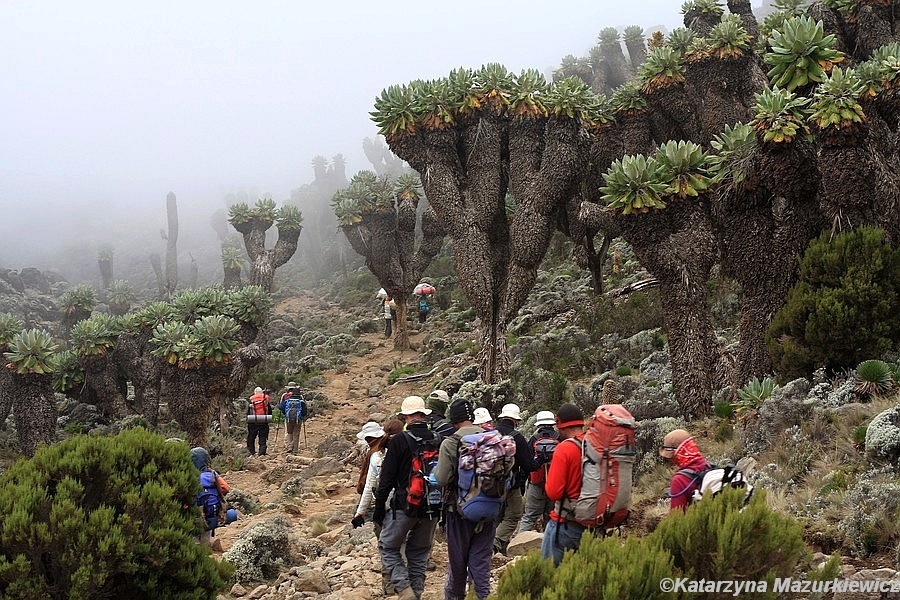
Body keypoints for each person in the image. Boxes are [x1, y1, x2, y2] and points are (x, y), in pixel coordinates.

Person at [372, 396, 441, 600]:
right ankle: (416, 594)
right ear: (423, 415)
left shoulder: (400, 440)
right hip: (432, 506)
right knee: (419, 553)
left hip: (404, 505)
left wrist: (378, 510)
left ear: (405, 417)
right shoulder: (438, 439)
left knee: (388, 546)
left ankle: (404, 589)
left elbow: (386, 479)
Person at [433, 398, 494, 600]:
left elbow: (441, 478)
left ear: (454, 420)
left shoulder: (450, 442)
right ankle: (482, 596)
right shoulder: (492, 439)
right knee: (481, 562)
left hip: (458, 512)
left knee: (458, 564)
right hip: (490, 509)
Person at [541, 403, 588, 565]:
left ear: (560, 425)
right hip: (593, 522)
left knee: (550, 577)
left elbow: (554, 492)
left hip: (565, 524)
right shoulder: (596, 445)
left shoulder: (564, 449)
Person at [492, 403, 537, 555]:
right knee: (514, 515)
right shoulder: (517, 438)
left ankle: (497, 547)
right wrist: (542, 459)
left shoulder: (490, 434)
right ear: (516, 420)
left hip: (489, 483)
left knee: (497, 516)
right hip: (511, 484)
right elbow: (529, 465)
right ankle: (495, 542)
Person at [518, 410, 560, 533]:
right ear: (552, 424)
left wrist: (522, 482)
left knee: (529, 517)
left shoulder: (533, 439)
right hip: (555, 483)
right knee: (552, 517)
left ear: (538, 424)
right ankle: (550, 545)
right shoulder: (560, 438)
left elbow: (527, 464)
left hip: (536, 484)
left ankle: (518, 543)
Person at [659, 428, 710, 512]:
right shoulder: (709, 467)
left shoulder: (679, 480)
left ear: (677, 454)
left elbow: (676, 517)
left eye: (672, 457)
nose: (672, 461)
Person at [190, 446, 231, 546]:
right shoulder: (212, 473)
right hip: (211, 513)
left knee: (193, 539)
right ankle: (205, 554)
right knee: (205, 537)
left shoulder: (190, 475)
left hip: (194, 514)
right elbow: (225, 488)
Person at [277, 382, 306, 454]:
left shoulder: (286, 398)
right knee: (296, 433)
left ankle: (289, 447)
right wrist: (302, 416)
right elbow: (305, 410)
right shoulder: (301, 399)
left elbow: (281, 407)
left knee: (289, 432)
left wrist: (285, 414)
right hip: (298, 419)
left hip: (288, 419)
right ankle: (295, 450)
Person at [246, 386, 271, 456]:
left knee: (251, 436)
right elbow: (269, 410)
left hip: (252, 419)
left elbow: (248, 411)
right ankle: (262, 451)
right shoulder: (265, 399)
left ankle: (251, 451)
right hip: (264, 419)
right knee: (263, 435)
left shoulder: (251, 399)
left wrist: (248, 419)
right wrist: (268, 418)